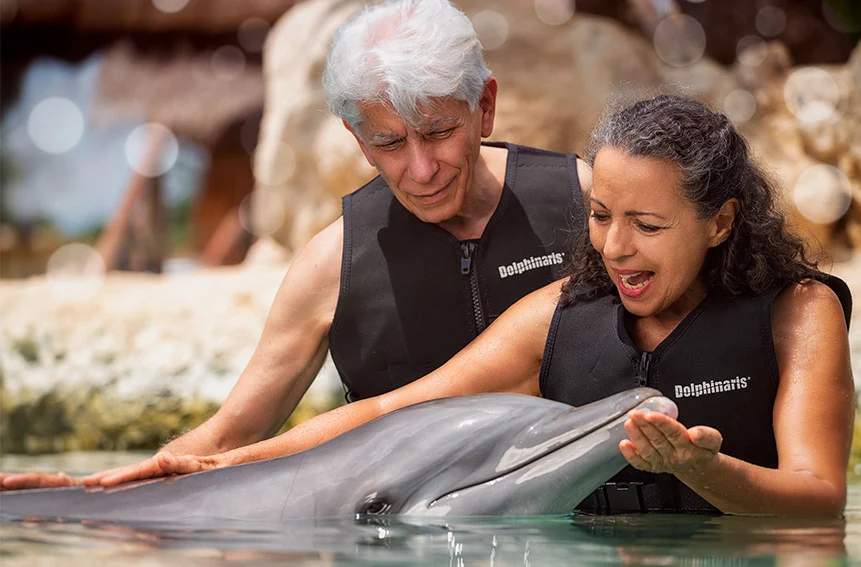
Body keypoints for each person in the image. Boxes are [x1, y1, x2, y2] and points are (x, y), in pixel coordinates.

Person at [73, 95, 855, 517]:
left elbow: (820, 506)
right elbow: (388, 414)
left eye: (647, 226)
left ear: (719, 221)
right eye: (599, 215)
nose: (615, 247)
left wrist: (702, 469)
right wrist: (200, 469)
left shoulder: (797, 312)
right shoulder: (560, 311)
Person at [0, 0, 589, 490]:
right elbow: (229, 438)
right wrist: (93, 494)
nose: (421, 169)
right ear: (356, 139)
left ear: (483, 106)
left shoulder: (585, 203)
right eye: (388, 142)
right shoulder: (332, 263)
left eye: (439, 132)